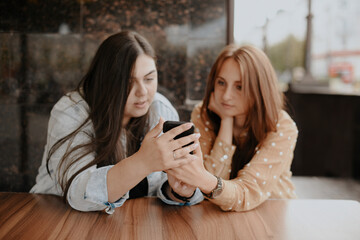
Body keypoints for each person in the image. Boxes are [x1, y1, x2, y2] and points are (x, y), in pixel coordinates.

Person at [30, 31, 203, 214]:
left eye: (149, 79)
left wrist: (178, 191)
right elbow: (78, 193)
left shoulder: (161, 110)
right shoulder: (71, 112)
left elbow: (165, 184)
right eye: (129, 82)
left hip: (136, 222)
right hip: (55, 216)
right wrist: (143, 162)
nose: (143, 92)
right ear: (107, 81)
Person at [167, 44, 298, 211]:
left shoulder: (281, 126)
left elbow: (246, 192)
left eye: (239, 87)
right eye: (221, 83)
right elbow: (205, 190)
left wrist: (202, 179)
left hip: (271, 213)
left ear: (259, 89)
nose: (227, 96)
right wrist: (226, 121)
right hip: (219, 217)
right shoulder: (204, 113)